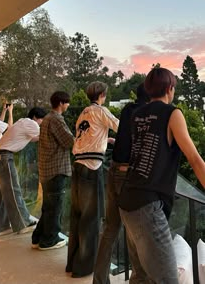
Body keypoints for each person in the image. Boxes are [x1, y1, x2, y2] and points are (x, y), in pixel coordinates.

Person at [118, 67, 205, 283]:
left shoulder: (137, 115)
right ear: (170, 88)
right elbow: (194, 159)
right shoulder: (172, 113)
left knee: (141, 277)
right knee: (167, 279)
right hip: (147, 205)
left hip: (127, 200)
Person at [93, 83, 149, 284]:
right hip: (127, 175)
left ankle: (99, 280)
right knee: (136, 231)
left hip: (114, 169)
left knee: (110, 229)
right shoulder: (148, 113)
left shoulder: (128, 109)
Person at [66, 81, 119, 278]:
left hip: (78, 165)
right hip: (92, 166)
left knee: (77, 216)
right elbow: (119, 126)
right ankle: (84, 267)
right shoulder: (101, 111)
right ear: (102, 94)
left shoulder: (83, 114)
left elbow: (87, 135)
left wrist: (106, 139)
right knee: (90, 218)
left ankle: (73, 263)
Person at [0, 107, 46, 237]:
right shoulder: (32, 124)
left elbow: (32, 138)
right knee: (13, 190)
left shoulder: (22, 121)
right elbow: (43, 135)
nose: (42, 123)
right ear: (37, 118)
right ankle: (23, 224)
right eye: (42, 120)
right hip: (4, 157)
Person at [32, 91, 74, 250]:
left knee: (48, 207)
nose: (68, 105)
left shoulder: (48, 118)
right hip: (55, 169)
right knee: (55, 207)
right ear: (62, 103)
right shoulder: (56, 119)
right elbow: (69, 141)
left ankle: (37, 237)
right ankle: (49, 240)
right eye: (67, 102)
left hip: (46, 169)